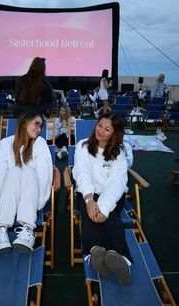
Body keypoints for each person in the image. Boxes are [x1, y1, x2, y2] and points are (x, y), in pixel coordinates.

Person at [72, 112, 133, 284]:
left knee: (110, 215)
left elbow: (117, 182)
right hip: (87, 192)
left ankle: (120, 260)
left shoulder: (119, 152)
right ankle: (99, 253)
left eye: (107, 129)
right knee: (89, 212)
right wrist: (90, 200)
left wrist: (104, 208)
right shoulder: (83, 146)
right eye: (100, 125)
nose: (100, 130)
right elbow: (82, 173)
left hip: (111, 193)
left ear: (115, 133)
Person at [0, 112, 53, 254]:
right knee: (14, 172)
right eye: (36, 124)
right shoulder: (4, 145)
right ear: (25, 122)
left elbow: (44, 176)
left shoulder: (40, 144)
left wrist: (37, 200)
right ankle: (1, 230)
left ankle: (27, 229)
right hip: (6, 198)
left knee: (28, 171)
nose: (39, 129)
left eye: (41, 127)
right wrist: (10, 201)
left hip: (33, 198)